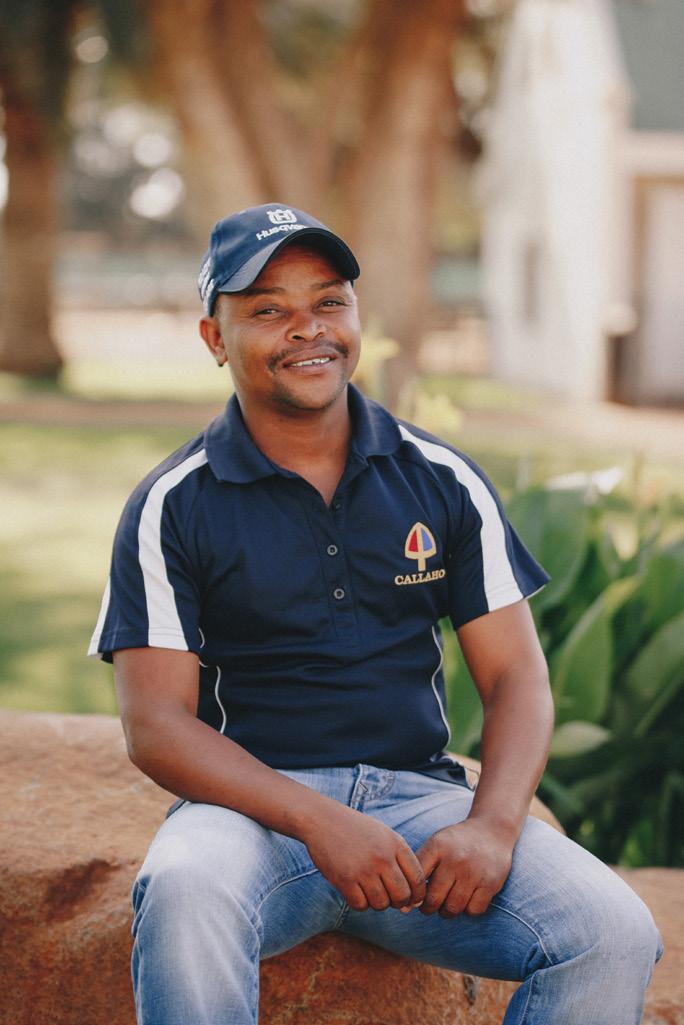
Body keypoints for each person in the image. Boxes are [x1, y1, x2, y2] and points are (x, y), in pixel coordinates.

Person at [89, 204, 661, 1025]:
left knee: (612, 931)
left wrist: (493, 826)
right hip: (251, 815)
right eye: (268, 310)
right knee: (183, 893)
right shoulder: (172, 505)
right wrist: (320, 821)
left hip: (418, 807)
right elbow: (156, 725)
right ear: (215, 338)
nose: (308, 328)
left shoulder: (441, 477)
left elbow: (515, 676)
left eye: (329, 301)